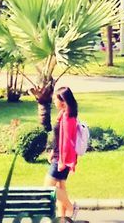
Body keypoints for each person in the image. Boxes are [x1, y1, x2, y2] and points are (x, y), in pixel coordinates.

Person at [46, 87, 80, 222]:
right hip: (59, 156)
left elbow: (66, 143)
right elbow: (59, 138)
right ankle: (62, 220)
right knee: (61, 188)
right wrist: (53, 152)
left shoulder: (67, 117)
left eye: (56, 99)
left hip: (61, 160)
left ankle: (72, 208)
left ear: (63, 101)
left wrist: (61, 161)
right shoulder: (65, 114)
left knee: (48, 188)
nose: (54, 101)